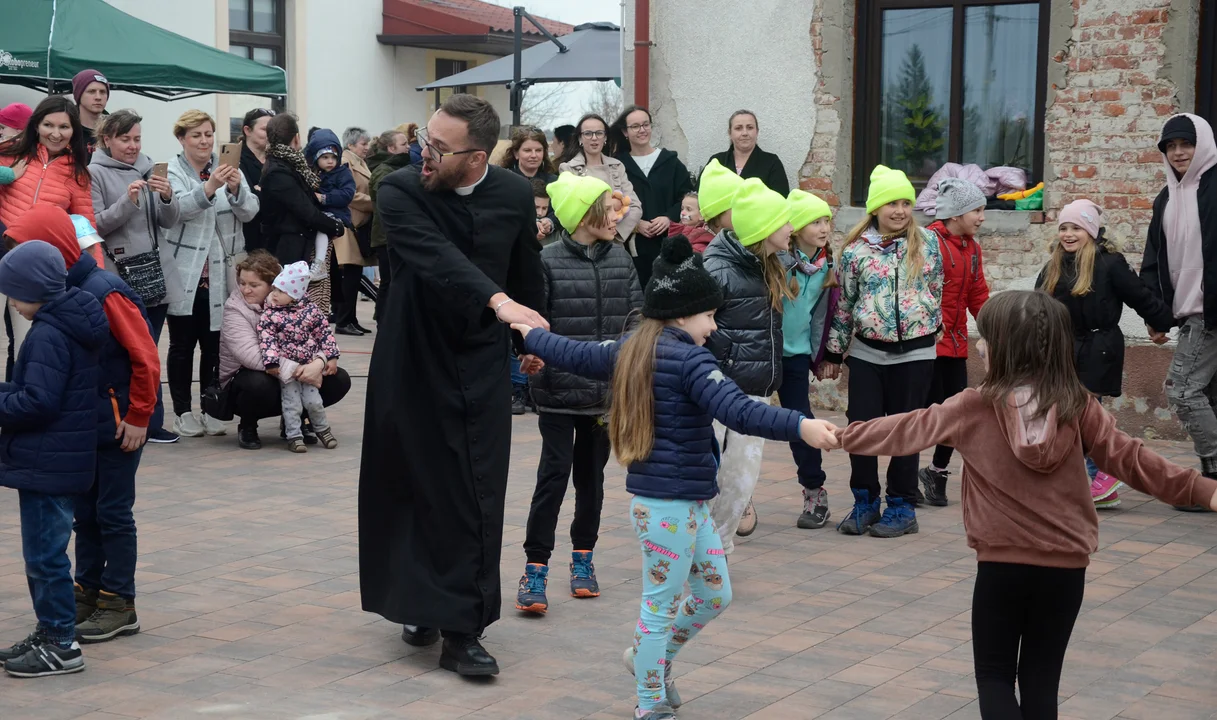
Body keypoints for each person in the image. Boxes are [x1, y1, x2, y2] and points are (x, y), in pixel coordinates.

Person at [820, 290, 1217, 718]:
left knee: (994, 677)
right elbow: (1133, 460)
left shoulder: (974, 405)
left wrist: (842, 436)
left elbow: (907, 430)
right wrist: (1204, 489)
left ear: (1007, 349)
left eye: (985, 338)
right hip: (1066, 570)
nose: (978, 346)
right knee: (1041, 683)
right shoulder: (1077, 404)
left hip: (1001, 567)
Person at [512, 235, 832, 719]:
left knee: (714, 594)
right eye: (709, 315)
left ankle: (649, 661)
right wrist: (800, 424)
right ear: (684, 317)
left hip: (689, 501)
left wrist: (527, 332)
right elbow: (738, 410)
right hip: (666, 507)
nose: (714, 325)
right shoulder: (690, 359)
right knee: (658, 607)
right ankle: (649, 703)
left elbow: (570, 352)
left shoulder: (630, 347)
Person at [360, 94, 546, 677]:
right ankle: (420, 602)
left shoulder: (514, 195)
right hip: (411, 355)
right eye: (424, 141)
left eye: (438, 148)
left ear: (477, 157)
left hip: (480, 359)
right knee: (414, 481)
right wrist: (499, 301)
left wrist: (531, 341)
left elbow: (524, 271)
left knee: (475, 487)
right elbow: (434, 255)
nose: (425, 154)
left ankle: (463, 630)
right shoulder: (400, 190)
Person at [7, 206, 159, 645]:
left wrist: (139, 416)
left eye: (25, 247)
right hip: (88, 425)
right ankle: (87, 591)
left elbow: (145, 356)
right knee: (86, 514)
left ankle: (119, 601)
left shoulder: (103, 288)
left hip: (119, 425)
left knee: (112, 513)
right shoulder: (64, 290)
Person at [514, 173, 643, 615]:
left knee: (592, 479)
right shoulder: (547, 261)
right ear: (584, 215)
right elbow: (535, 322)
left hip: (604, 395)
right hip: (556, 392)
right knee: (552, 477)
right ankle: (535, 567)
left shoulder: (622, 261)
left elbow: (638, 318)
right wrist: (530, 356)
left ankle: (583, 560)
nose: (616, 215)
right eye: (607, 208)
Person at [0, 240, 109, 678]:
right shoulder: (68, 320)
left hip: (49, 462)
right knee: (45, 555)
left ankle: (61, 643)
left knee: (45, 558)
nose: (10, 301)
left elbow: (38, 402)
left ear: (32, 290)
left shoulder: (47, 333)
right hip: (58, 459)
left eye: (13, 292)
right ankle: (51, 631)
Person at [820, 165, 942, 538]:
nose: (900, 210)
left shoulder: (927, 242)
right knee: (863, 430)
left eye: (906, 202)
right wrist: (834, 353)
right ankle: (865, 503)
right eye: (892, 203)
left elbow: (937, 288)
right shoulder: (856, 251)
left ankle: (902, 506)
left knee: (906, 432)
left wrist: (927, 322)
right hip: (868, 355)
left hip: (916, 354)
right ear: (875, 208)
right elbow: (844, 305)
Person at [1038, 199, 1174, 508]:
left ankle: (1104, 471)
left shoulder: (1110, 262)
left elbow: (1140, 296)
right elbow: (1036, 306)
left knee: (1081, 414)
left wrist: (1161, 322)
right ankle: (1102, 482)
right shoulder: (1055, 264)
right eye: (1063, 228)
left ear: (1092, 230)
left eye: (1076, 228)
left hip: (1099, 349)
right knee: (1070, 415)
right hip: (1064, 349)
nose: (1069, 235)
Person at [703, 178, 797, 548]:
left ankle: (719, 550)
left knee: (741, 478)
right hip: (718, 391)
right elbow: (696, 331)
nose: (792, 228)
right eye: (785, 221)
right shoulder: (717, 269)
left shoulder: (770, 264)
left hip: (755, 390)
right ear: (764, 228)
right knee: (710, 474)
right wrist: (726, 361)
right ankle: (701, 549)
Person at [88, 108, 182, 445]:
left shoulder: (149, 165)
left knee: (149, 350)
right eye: (125, 139)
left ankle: (151, 423)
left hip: (155, 273)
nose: (132, 145)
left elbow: (168, 221)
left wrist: (168, 196)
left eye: (137, 138)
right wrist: (128, 203)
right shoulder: (94, 173)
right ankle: (127, 418)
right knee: (131, 351)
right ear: (107, 139)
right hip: (121, 276)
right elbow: (95, 224)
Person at [166, 109, 259, 438]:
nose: (204, 141)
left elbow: (250, 213)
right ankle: (181, 411)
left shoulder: (229, 166)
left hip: (222, 272)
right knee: (181, 345)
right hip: (185, 273)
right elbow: (176, 211)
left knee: (215, 344)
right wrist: (210, 187)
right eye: (196, 135)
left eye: (208, 134)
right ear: (182, 139)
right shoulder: (174, 170)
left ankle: (211, 405)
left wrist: (235, 190)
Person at [1142, 113, 1217, 512]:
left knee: (1183, 390)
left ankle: (1213, 477)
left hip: (1210, 311)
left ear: (1202, 143)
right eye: (1170, 146)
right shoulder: (1167, 197)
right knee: (1207, 394)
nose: (1179, 152)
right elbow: (1153, 259)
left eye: (1185, 144)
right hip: (1190, 312)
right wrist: (1156, 316)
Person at [220, 251, 351, 450]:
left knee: (338, 379)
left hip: (295, 366)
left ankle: (299, 421)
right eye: (242, 283)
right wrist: (302, 371)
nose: (245, 290)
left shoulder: (299, 302)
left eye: (254, 285)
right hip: (250, 375)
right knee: (258, 384)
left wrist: (320, 362)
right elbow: (251, 356)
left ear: (274, 285)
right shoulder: (234, 309)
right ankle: (248, 425)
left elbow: (321, 334)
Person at [918, 178, 990, 506]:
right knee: (924, 413)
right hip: (926, 345)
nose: (982, 217)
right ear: (957, 213)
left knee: (958, 412)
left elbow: (978, 293)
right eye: (977, 210)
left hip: (956, 346)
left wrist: (992, 331)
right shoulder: (928, 242)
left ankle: (936, 471)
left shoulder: (972, 248)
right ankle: (904, 478)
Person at [777, 189, 840, 529]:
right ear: (796, 228)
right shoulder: (777, 262)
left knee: (800, 422)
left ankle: (815, 491)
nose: (823, 227)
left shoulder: (826, 266)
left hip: (797, 356)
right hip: (765, 354)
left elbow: (828, 315)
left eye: (826, 220)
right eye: (815, 221)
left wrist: (827, 354)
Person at [257, 261, 341, 453]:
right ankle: (293, 435)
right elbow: (267, 339)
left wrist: (331, 356)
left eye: (281, 291)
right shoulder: (270, 314)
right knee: (291, 403)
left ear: (295, 295)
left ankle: (322, 429)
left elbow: (324, 334)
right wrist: (271, 362)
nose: (275, 294)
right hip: (287, 369)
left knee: (314, 402)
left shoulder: (311, 311)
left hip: (308, 366)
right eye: (275, 289)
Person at [611, 105, 693, 285]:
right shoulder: (618, 165)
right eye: (635, 126)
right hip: (633, 248)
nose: (642, 130)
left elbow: (687, 196)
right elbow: (611, 202)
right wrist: (634, 223)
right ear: (625, 131)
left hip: (669, 244)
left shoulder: (670, 162)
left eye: (645, 124)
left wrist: (669, 218)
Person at [0, 95, 97, 239]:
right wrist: (8, 175)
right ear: (36, 126)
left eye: (64, 127)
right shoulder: (11, 152)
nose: (56, 134)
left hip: (41, 256)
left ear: (74, 131)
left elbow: (86, 228)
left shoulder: (78, 172)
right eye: (48, 125)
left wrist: (96, 262)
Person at [257, 113, 344, 266]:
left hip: (296, 245)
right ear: (296, 138)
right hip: (288, 250)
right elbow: (306, 210)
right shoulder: (278, 171)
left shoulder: (291, 164)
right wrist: (336, 227)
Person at [557, 113, 643, 244]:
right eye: (588, 133)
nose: (594, 138)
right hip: (582, 245)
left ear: (605, 137)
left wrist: (613, 232)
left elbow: (635, 207)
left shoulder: (617, 166)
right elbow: (572, 212)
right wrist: (614, 206)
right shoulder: (568, 169)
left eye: (599, 133)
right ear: (580, 138)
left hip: (614, 244)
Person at [302, 128, 355, 321]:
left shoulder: (343, 174)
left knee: (323, 231)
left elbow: (347, 195)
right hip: (320, 215)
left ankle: (320, 263)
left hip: (336, 214)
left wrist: (324, 198)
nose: (330, 161)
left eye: (333, 156)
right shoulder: (312, 175)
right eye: (324, 157)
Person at [366, 129, 412, 324]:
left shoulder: (397, 168)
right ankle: (384, 319)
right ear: (391, 148)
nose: (408, 147)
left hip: (392, 234)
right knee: (389, 281)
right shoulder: (384, 171)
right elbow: (388, 202)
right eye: (404, 144)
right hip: (386, 236)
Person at [333, 126, 375, 334]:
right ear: (350, 145)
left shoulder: (359, 162)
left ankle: (350, 319)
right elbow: (349, 193)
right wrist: (374, 202)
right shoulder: (345, 162)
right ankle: (343, 321)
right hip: (349, 223)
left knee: (353, 274)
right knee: (350, 274)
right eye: (363, 144)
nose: (367, 148)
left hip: (357, 224)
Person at [705, 110, 789, 195]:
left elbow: (781, 199)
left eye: (750, 127)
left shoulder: (771, 162)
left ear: (757, 132)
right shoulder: (717, 161)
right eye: (738, 128)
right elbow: (701, 195)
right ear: (730, 133)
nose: (745, 133)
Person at [238, 108, 275, 252]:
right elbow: (246, 199)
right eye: (265, 129)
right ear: (247, 130)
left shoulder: (276, 159)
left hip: (274, 236)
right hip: (249, 237)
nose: (271, 134)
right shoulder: (238, 159)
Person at [72, 69, 110, 154]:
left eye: (103, 92)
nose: (98, 97)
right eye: (92, 91)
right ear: (79, 95)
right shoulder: (66, 128)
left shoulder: (114, 130)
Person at [532, 178, 556, 245]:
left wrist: (549, 223)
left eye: (544, 208)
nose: (540, 213)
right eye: (536, 207)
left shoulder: (552, 226)